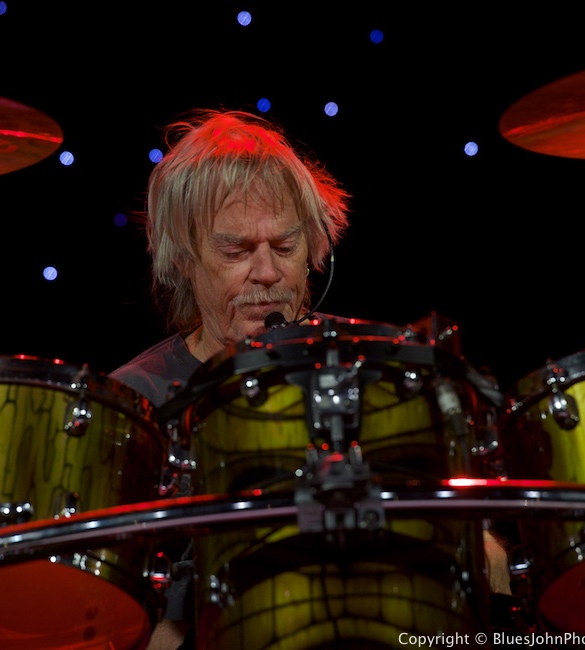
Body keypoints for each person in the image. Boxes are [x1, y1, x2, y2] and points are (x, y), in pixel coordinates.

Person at [109, 108, 511, 650]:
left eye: (285, 246)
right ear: (183, 258)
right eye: (236, 251)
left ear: (315, 248)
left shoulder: (378, 366)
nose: (269, 273)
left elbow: (470, 538)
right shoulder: (135, 401)